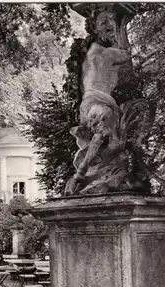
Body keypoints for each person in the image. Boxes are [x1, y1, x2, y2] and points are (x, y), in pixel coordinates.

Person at [65, 10, 132, 195]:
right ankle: (81, 174)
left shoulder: (90, 52)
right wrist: (122, 25)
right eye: (104, 22)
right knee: (109, 138)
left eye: (111, 20)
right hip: (99, 103)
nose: (110, 25)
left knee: (109, 140)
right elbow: (126, 54)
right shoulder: (107, 53)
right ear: (94, 28)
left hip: (87, 105)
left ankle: (83, 175)